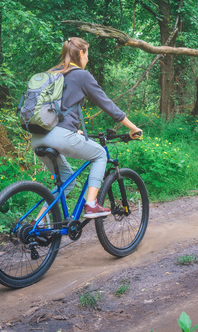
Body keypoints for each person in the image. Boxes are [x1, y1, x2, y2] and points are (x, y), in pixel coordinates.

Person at [28, 37, 142, 218]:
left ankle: (39, 222)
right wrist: (133, 127)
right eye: (87, 54)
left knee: (66, 181)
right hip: (60, 136)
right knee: (100, 154)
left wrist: (74, 129)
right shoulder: (81, 75)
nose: (87, 59)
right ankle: (91, 204)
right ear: (80, 53)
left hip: (37, 137)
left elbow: (57, 109)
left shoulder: (52, 73)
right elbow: (107, 105)